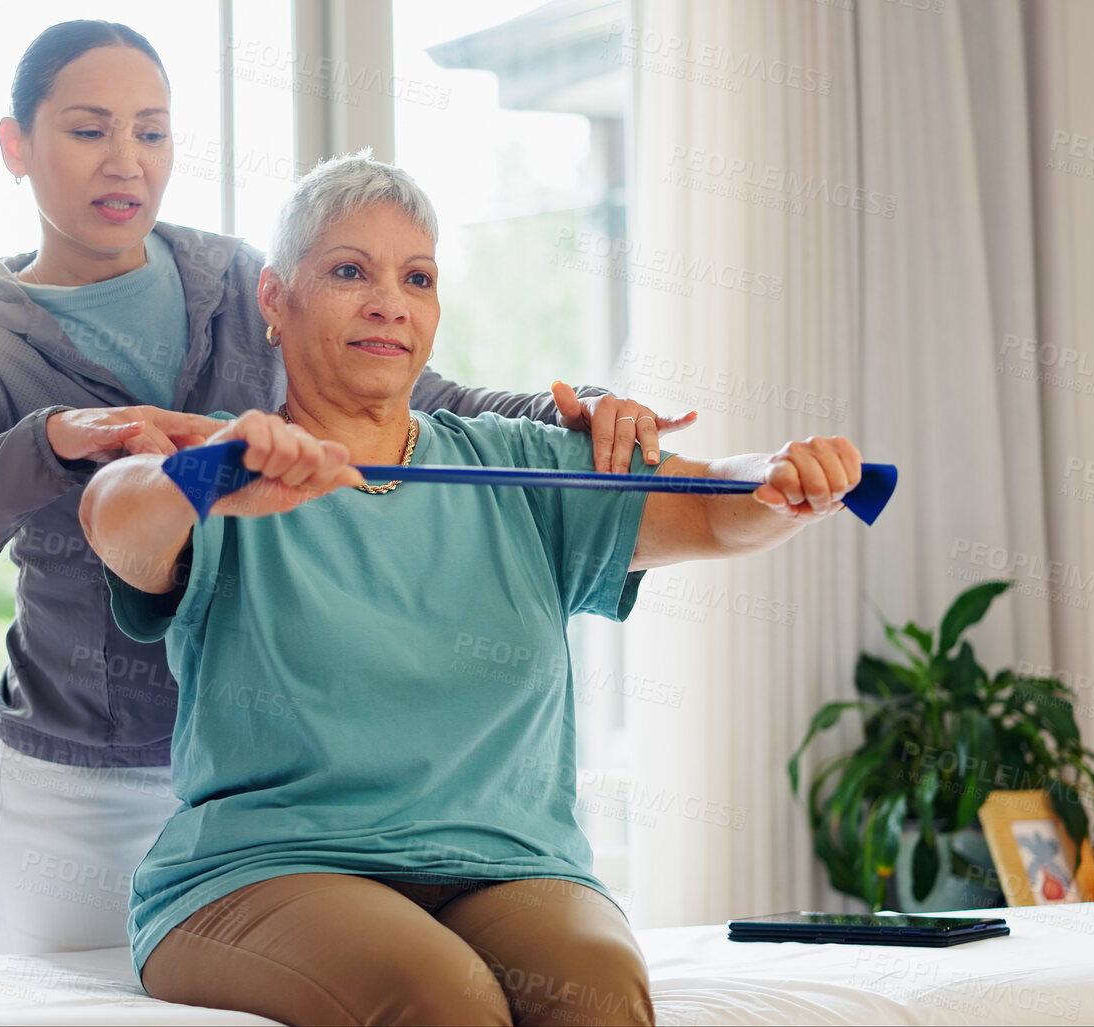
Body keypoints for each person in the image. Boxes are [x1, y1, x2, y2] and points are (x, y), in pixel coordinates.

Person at [0, 19, 691, 955]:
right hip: (88, 790)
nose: (125, 163)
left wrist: (578, 411)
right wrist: (50, 439)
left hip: (281, 800)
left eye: (152, 131)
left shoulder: (240, 279)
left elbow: (418, 393)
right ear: (16, 146)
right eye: (89, 131)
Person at [79, 152, 864, 1026]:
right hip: (269, 869)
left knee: (598, 990)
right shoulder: (229, 462)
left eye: (416, 277)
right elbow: (113, 515)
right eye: (348, 271)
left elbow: (718, 502)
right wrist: (210, 477)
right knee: (441, 997)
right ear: (274, 299)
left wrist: (786, 479)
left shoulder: (517, 464)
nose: (390, 302)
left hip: (509, 865)